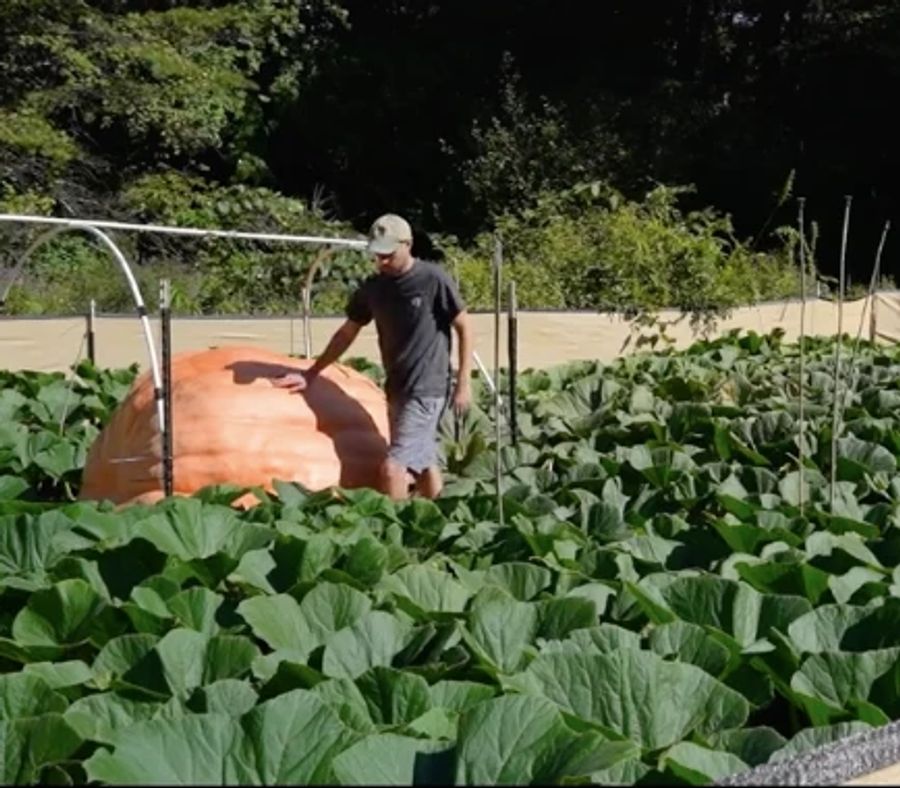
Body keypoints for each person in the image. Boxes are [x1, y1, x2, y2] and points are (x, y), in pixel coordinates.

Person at [272, 213, 473, 500]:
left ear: (408, 244)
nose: (382, 262)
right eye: (377, 255)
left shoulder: (433, 279)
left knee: (393, 469)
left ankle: (397, 533)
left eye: (388, 255)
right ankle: (439, 519)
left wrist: (463, 383)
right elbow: (347, 332)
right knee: (425, 461)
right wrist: (312, 372)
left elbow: (464, 327)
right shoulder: (373, 289)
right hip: (396, 387)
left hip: (428, 388)